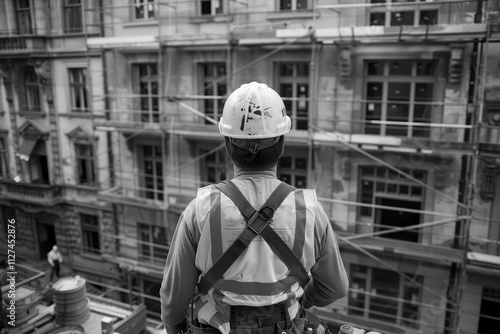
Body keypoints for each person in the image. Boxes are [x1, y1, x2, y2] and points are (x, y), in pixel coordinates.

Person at [160, 82, 348, 334]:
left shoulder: (200, 208)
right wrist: (298, 303)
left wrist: (174, 328)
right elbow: (335, 287)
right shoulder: (310, 209)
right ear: (280, 145)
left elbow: (175, 295)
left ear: (228, 145)